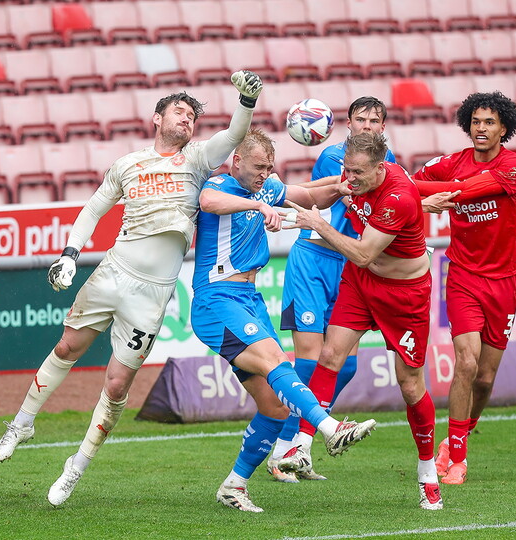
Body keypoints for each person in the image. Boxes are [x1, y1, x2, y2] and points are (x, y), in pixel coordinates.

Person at [0, 71, 264, 507]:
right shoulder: (128, 164)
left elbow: (232, 135)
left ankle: (75, 468)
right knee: (66, 348)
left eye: (192, 115)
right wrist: (69, 253)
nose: (187, 119)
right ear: (157, 118)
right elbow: (95, 207)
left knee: (117, 387)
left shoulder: (195, 159)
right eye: (179, 111)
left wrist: (245, 103)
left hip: (152, 294)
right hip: (113, 272)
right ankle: (21, 424)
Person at [192, 129, 376, 513]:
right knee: (279, 363)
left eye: (269, 168)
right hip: (217, 300)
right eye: (258, 167)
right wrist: (258, 208)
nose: (264, 175)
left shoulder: (266, 187)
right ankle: (329, 429)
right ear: (237, 160)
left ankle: (234, 486)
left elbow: (309, 196)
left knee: (275, 407)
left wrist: (344, 187)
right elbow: (207, 202)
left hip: (248, 299)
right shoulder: (219, 184)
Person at [286, 131, 443, 511]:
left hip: (404, 296)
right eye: (346, 170)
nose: (349, 179)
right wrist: (274, 201)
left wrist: (316, 225)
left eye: (357, 173)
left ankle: (427, 473)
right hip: (362, 284)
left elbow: (361, 253)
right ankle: (302, 446)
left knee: (409, 385)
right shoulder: (355, 178)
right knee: (329, 357)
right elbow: (315, 190)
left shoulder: (397, 198)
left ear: (380, 167)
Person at [268, 96, 398, 483]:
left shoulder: (387, 166)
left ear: (383, 126)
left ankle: (299, 442)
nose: (368, 125)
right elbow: (359, 191)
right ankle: (285, 448)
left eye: (375, 120)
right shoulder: (334, 157)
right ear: (348, 124)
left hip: (351, 264)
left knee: (348, 363)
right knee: (309, 359)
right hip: (314, 259)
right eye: (361, 119)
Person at [409, 91, 516, 485]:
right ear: (468, 124)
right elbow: (410, 186)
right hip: (462, 276)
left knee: (484, 377)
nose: (481, 129)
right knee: (465, 362)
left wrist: (447, 193)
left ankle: (453, 440)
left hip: (506, 281)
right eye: (476, 122)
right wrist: (432, 193)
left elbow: (468, 191)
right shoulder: (450, 163)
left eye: (490, 123)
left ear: (504, 128)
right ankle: (457, 458)